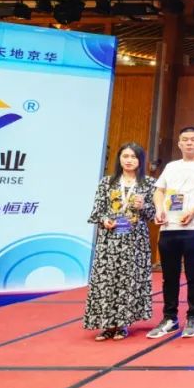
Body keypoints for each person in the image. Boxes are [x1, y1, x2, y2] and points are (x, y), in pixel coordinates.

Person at [149, 127, 194, 339]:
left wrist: (193, 210)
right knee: (169, 275)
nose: (189, 143)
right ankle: (169, 318)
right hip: (169, 227)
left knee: (193, 273)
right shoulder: (171, 167)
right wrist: (159, 209)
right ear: (179, 144)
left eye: (193, 140)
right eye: (185, 140)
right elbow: (159, 190)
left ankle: (193, 316)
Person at [84, 142, 156, 341]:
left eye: (133, 157)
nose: (129, 160)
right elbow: (97, 211)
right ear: (119, 159)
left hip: (135, 240)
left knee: (128, 281)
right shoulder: (107, 182)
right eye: (125, 156)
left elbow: (153, 215)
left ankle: (123, 324)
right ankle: (107, 325)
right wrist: (104, 220)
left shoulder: (149, 183)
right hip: (110, 239)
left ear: (140, 160)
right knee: (106, 280)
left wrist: (143, 206)